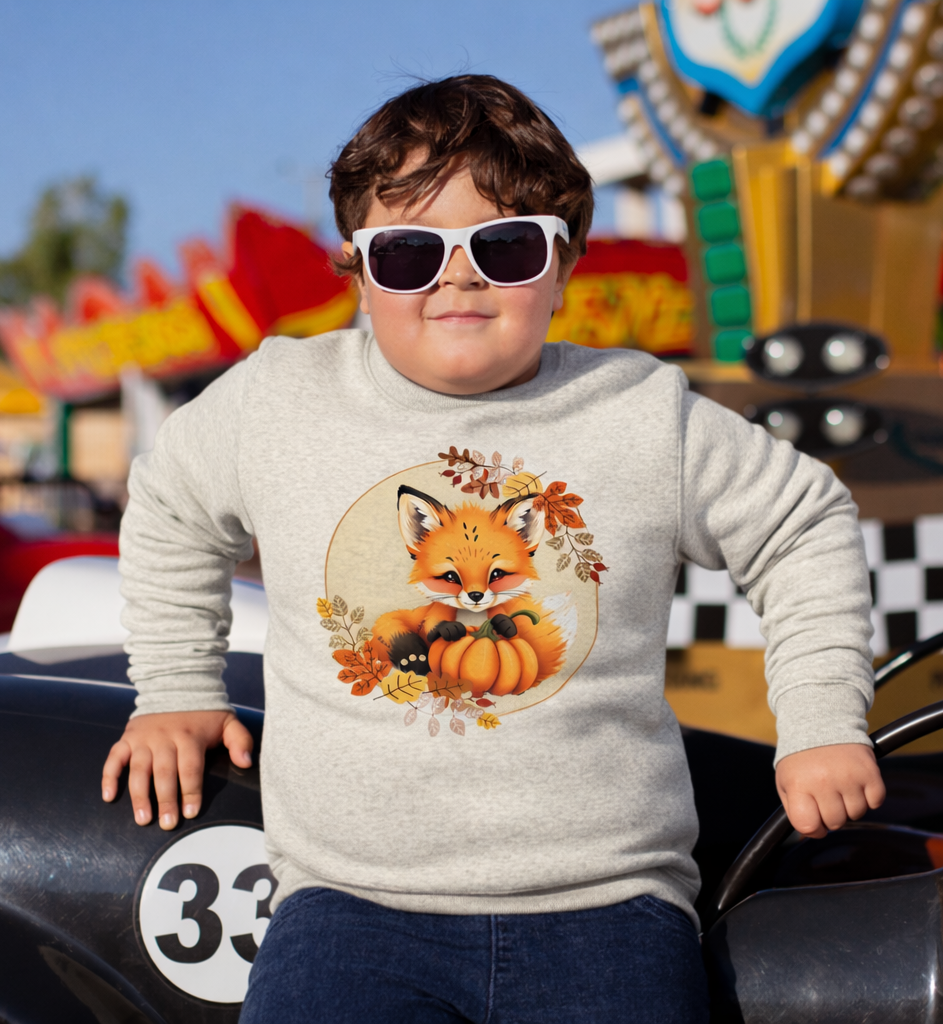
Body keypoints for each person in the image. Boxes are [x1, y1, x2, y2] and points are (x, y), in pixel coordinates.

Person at [102, 75, 885, 1023]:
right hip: (350, 910)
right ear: (355, 266)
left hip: (610, 908)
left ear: (562, 268)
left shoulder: (643, 414)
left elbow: (801, 524)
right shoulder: (278, 398)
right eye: (408, 252)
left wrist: (819, 721)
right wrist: (178, 689)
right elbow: (170, 507)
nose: (457, 276)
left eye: (504, 246)